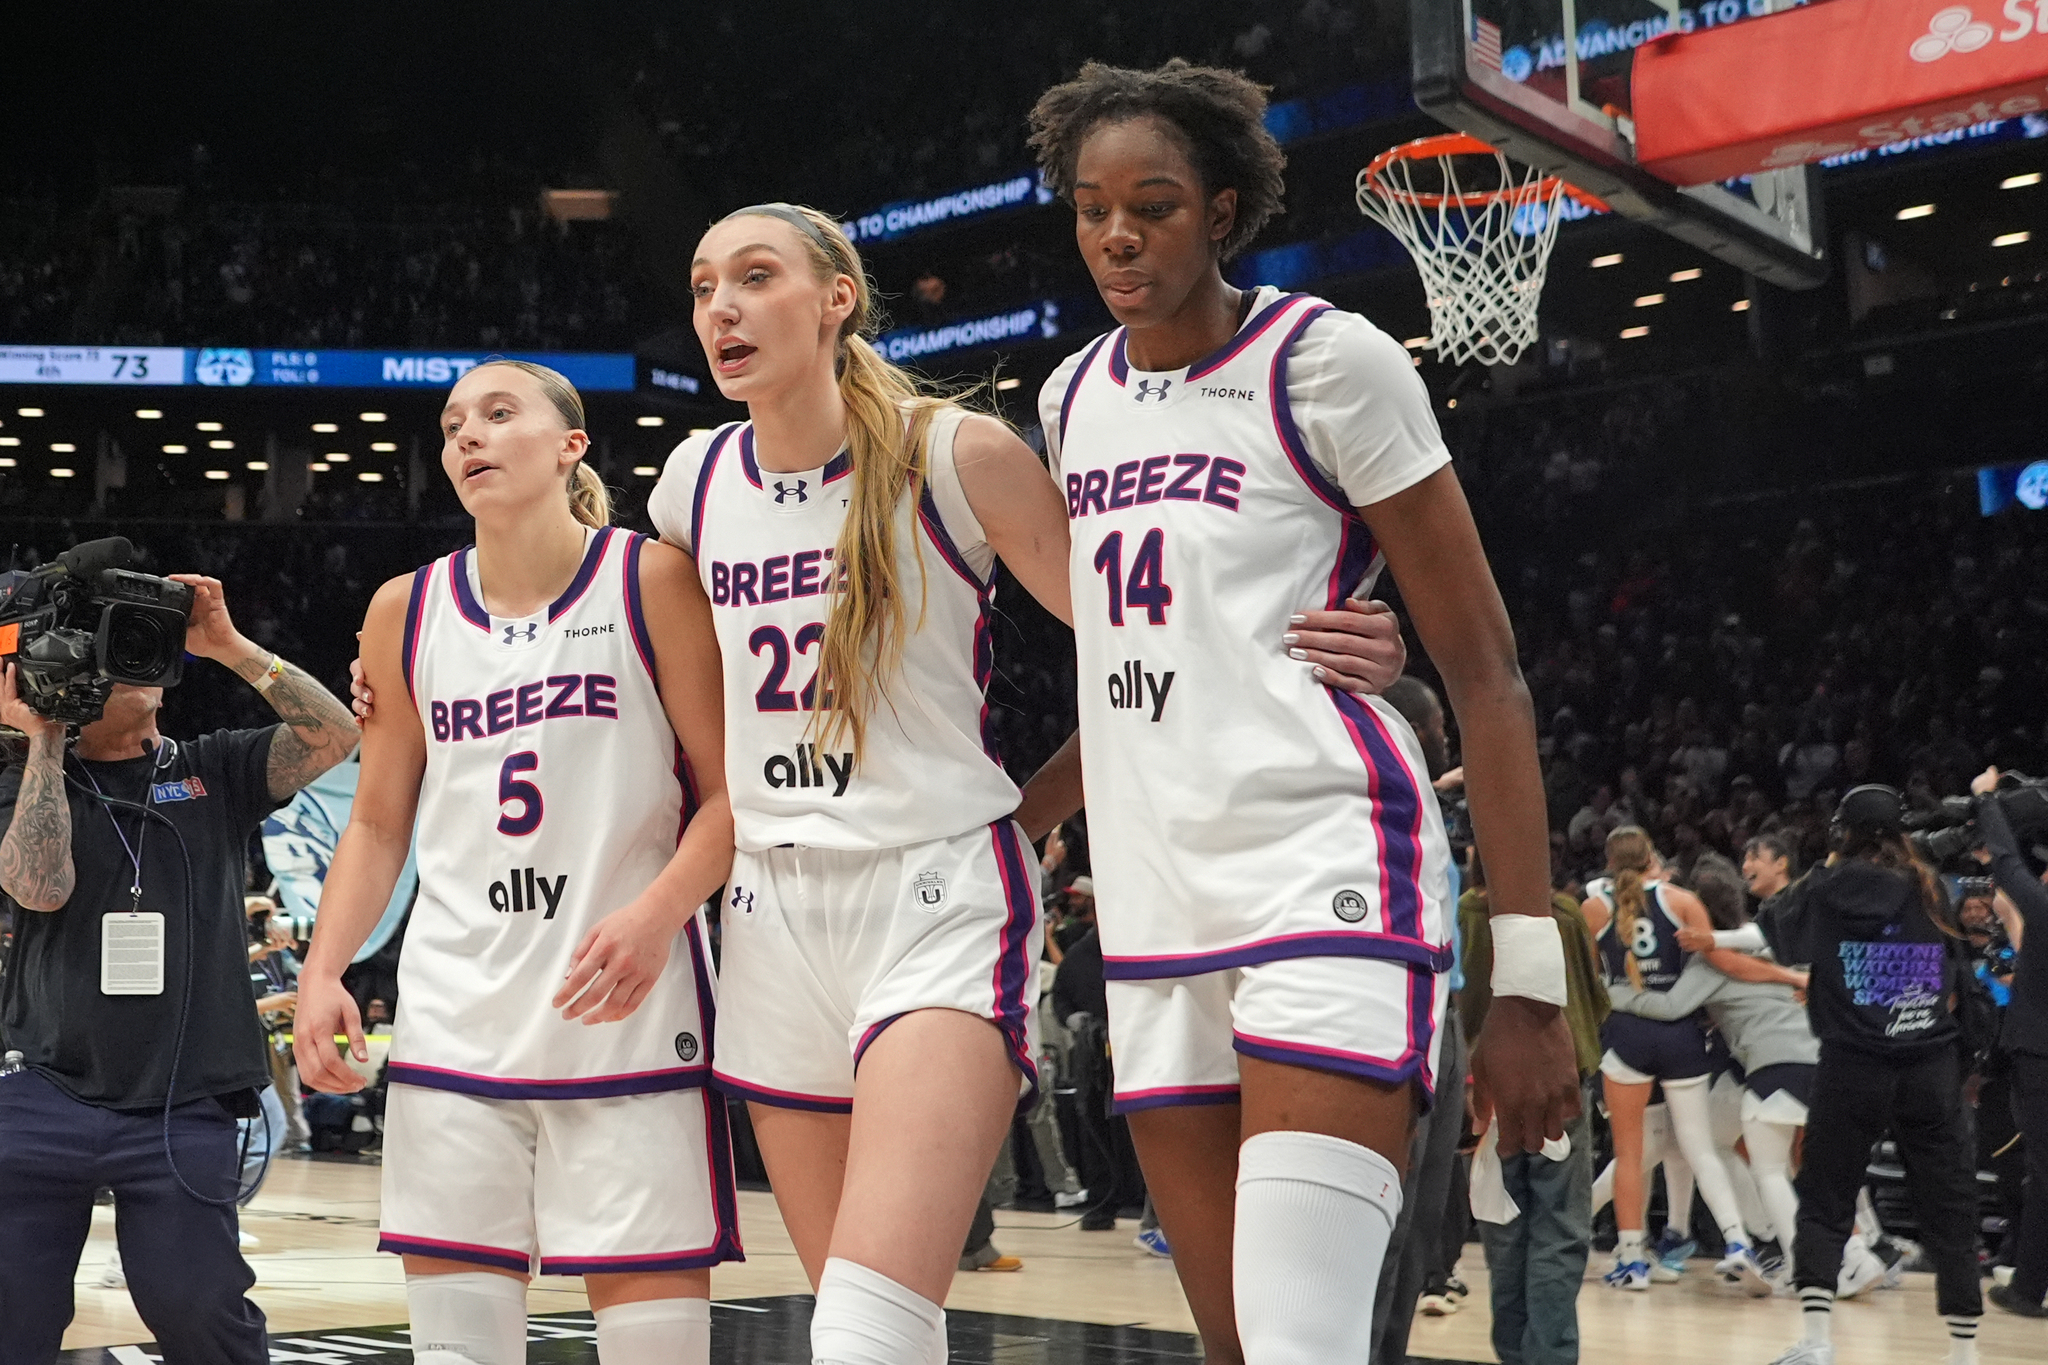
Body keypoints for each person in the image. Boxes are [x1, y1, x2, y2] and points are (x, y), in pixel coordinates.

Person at [1024, 59, 1581, 1365]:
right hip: (1158, 909)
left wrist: (1533, 981)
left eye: (1151, 205)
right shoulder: (1068, 400)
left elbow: (1489, 674)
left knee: (1301, 1344)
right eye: (1092, 207)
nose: (1116, 234)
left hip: (1321, 873)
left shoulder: (1329, 361)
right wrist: (1000, 825)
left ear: (1222, 210)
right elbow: (1137, 669)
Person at [297, 359, 738, 1365]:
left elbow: (730, 797)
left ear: (570, 445)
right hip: (457, 1013)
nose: (468, 437)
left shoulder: (650, 579)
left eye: (498, 415)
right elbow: (375, 825)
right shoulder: (405, 610)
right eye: (453, 424)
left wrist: (659, 911)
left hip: (622, 1011)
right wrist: (326, 970)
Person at [0, 581, 360, 1364]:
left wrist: (230, 645)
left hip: (181, 1095)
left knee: (199, 1312)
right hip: (42, 1090)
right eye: (111, 644)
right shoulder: (24, 778)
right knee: (11, 1317)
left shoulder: (214, 768)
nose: (135, 658)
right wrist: (45, 740)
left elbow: (336, 733)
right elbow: (39, 885)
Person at [1760, 784, 1984, 1365]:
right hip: (1929, 1063)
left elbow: (1775, 931)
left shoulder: (1825, 889)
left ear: (1842, 832)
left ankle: (1816, 1342)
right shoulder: (1931, 885)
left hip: (1851, 1062)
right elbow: (1959, 975)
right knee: (1949, 1200)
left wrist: (1826, 864)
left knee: (1826, 1196)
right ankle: (1964, 1352)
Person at [1581, 826, 1772, 1291]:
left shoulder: (1594, 907)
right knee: (1699, 1147)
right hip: (1682, 1034)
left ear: (1609, 860)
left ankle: (1631, 1259)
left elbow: (1587, 979)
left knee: (1629, 1155)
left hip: (1626, 1034)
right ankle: (1736, 1242)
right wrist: (1785, 977)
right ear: (1652, 857)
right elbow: (1716, 960)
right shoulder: (1682, 900)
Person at [1608, 873, 1819, 1288]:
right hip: (1819, 1052)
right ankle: (1860, 1248)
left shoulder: (1710, 960)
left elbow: (1671, 1005)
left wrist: (1610, 993)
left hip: (1774, 1061)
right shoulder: (1764, 942)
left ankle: (1766, 1245)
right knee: (1807, 1164)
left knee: (1752, 1162)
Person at [1461, 854, 1608, 1365]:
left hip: (1486, 1091)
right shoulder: (1563, 914)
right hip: (1560, 1086)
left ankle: (1512, 1351)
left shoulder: (1463, 915)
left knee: (1503, 1231)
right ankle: (1552, 1355)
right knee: (1560, 1231)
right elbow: (1595, 999)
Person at [1969, 766, 2048, 1318]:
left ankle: (2027, 1288)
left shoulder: (2042, 907)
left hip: (2040, 1054)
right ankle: (2027, 1285)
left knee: (2043, 1170)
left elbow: (2006, 863)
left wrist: (1988, 799)